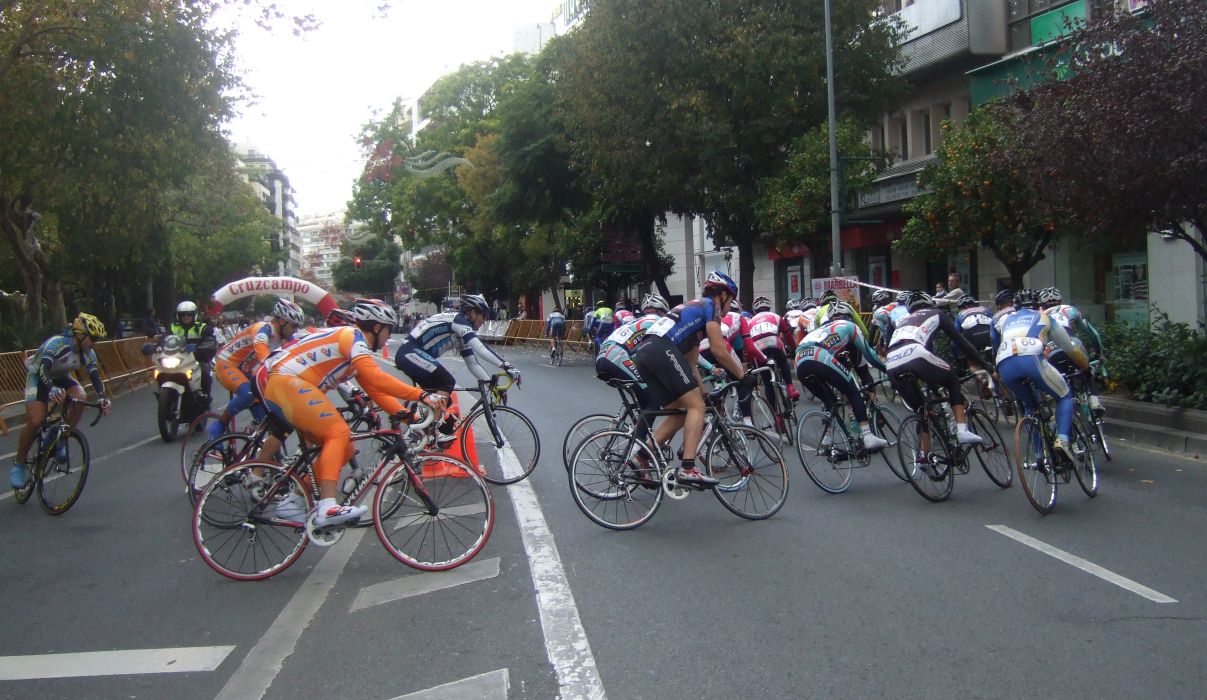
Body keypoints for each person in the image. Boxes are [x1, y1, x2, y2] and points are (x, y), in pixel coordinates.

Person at [263, 299, 446, 526]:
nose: (389, 336)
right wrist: (422, 395)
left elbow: (376, 391)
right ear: (376, 327)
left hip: (287, 386)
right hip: (285, 382)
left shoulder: (355, 349)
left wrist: (411, 418)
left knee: (345, 448)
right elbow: (376, 377)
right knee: (338, 432)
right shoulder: (352, 336)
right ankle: (327, 507)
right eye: (388, 330)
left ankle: (293, 502)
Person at [630, 270, 750, 487]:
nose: (728, 308)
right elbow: (718, 350)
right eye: (731, 300)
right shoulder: (710, 306)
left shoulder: (693, 314)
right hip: (661, 350)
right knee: (696, 407)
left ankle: (642, 456)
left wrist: (704, 394)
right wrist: (743, 376)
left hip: (644, 354)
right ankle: (688, 468)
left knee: (680, 413)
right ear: (723, 295)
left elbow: (691, 364)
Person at [394, 293, 521, 446]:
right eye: (483, 315)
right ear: (472, 312)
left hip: (414, 354)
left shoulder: (461, 333)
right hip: (409, 352)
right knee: (447, 381)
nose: (485, 320)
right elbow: (480, 348)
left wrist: (491, 385)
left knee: (443, 399)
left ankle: (419, 432)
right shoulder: (458, 321)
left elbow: (473, 364)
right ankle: (427, 432)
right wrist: (507, 366)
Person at [10, 313, 113, 488]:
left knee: (81, 398)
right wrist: (51, 389)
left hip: (61, 377)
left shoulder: (89, 353)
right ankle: (19, 463)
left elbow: (95, 377)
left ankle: (60, 437)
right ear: (80, 335)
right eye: (93, 339)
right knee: (36, 420)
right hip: (38, 376)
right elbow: (43, 370)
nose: (94, 343)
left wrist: (103, 398)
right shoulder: (57, 344)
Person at [993, 288, 1090, 462]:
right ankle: (1062, 440)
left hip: (1004, 363)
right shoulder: (1044, 317)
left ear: (1016, 307)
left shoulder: (1006, 320)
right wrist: (1086, 366)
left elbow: (996, 344)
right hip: (1030, 358)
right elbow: (1069, 348)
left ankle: (1039, 457)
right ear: (1039, 305)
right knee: (1064, 396)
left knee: (1030, 407)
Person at [885, 291, 994, 445]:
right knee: (953, 381)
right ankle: (962, 430)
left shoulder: (904, 321)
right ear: (930, 304)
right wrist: (985, 365)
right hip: (915, 354)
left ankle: (923, 456)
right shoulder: (936, 313)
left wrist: (934, 384)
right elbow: (962, 343)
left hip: (891, 362)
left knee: (921, 412)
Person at [795, 301, 889, 451]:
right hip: (819, 356)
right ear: (850, 317)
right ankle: (868, 436)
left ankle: (827, 438)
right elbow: (870, 355)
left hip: (799, 361)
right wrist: (888, 370)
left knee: (830, 400)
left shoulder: (822, 329)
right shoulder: (850, 326)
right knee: (853, 392)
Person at [207, 298, 304, 442]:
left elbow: (297, 356)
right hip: (226, 364)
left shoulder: (285, 336)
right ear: (281, 321)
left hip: (246, 371)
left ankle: (255, 437)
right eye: (294, 326)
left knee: (268, 413)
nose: (295, 330)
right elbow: (263, 353)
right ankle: (219, 425)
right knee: (249, 393)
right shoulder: (262, 329)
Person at [1038, 286, 1105, 414]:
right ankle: (1093, 400)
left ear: (1042, 304)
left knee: (1059, 381)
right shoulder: (1070, 310)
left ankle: (1059, 409)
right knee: (1087, 369)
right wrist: (1099, 353)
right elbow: (1092, 334)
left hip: (1051, 351)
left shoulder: (1039, 316)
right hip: (1071, 344)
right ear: (1060, 300)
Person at [748, 296, 800, 401]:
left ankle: (775, 411)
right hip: (774, 342)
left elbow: (748, 344)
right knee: (783, 362)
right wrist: (795, 349)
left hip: (758, 347)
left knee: (767, 381)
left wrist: (752, 363)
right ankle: (790, 388)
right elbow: (788, 336)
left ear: (755, 310)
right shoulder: (776, 316)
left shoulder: (750, 322)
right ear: (769, 308)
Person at [168, 301, 218, 402]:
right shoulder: (173, 328)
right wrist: (157, 346)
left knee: (204, 371)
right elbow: (164, 339)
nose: (186, 317)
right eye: (183, 315)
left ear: (194, 315)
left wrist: (202, 347)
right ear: (178, 316)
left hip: (197, 359)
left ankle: (205, 396)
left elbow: (211, 341)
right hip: (177, 358)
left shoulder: (203, 328)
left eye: (189, 314)